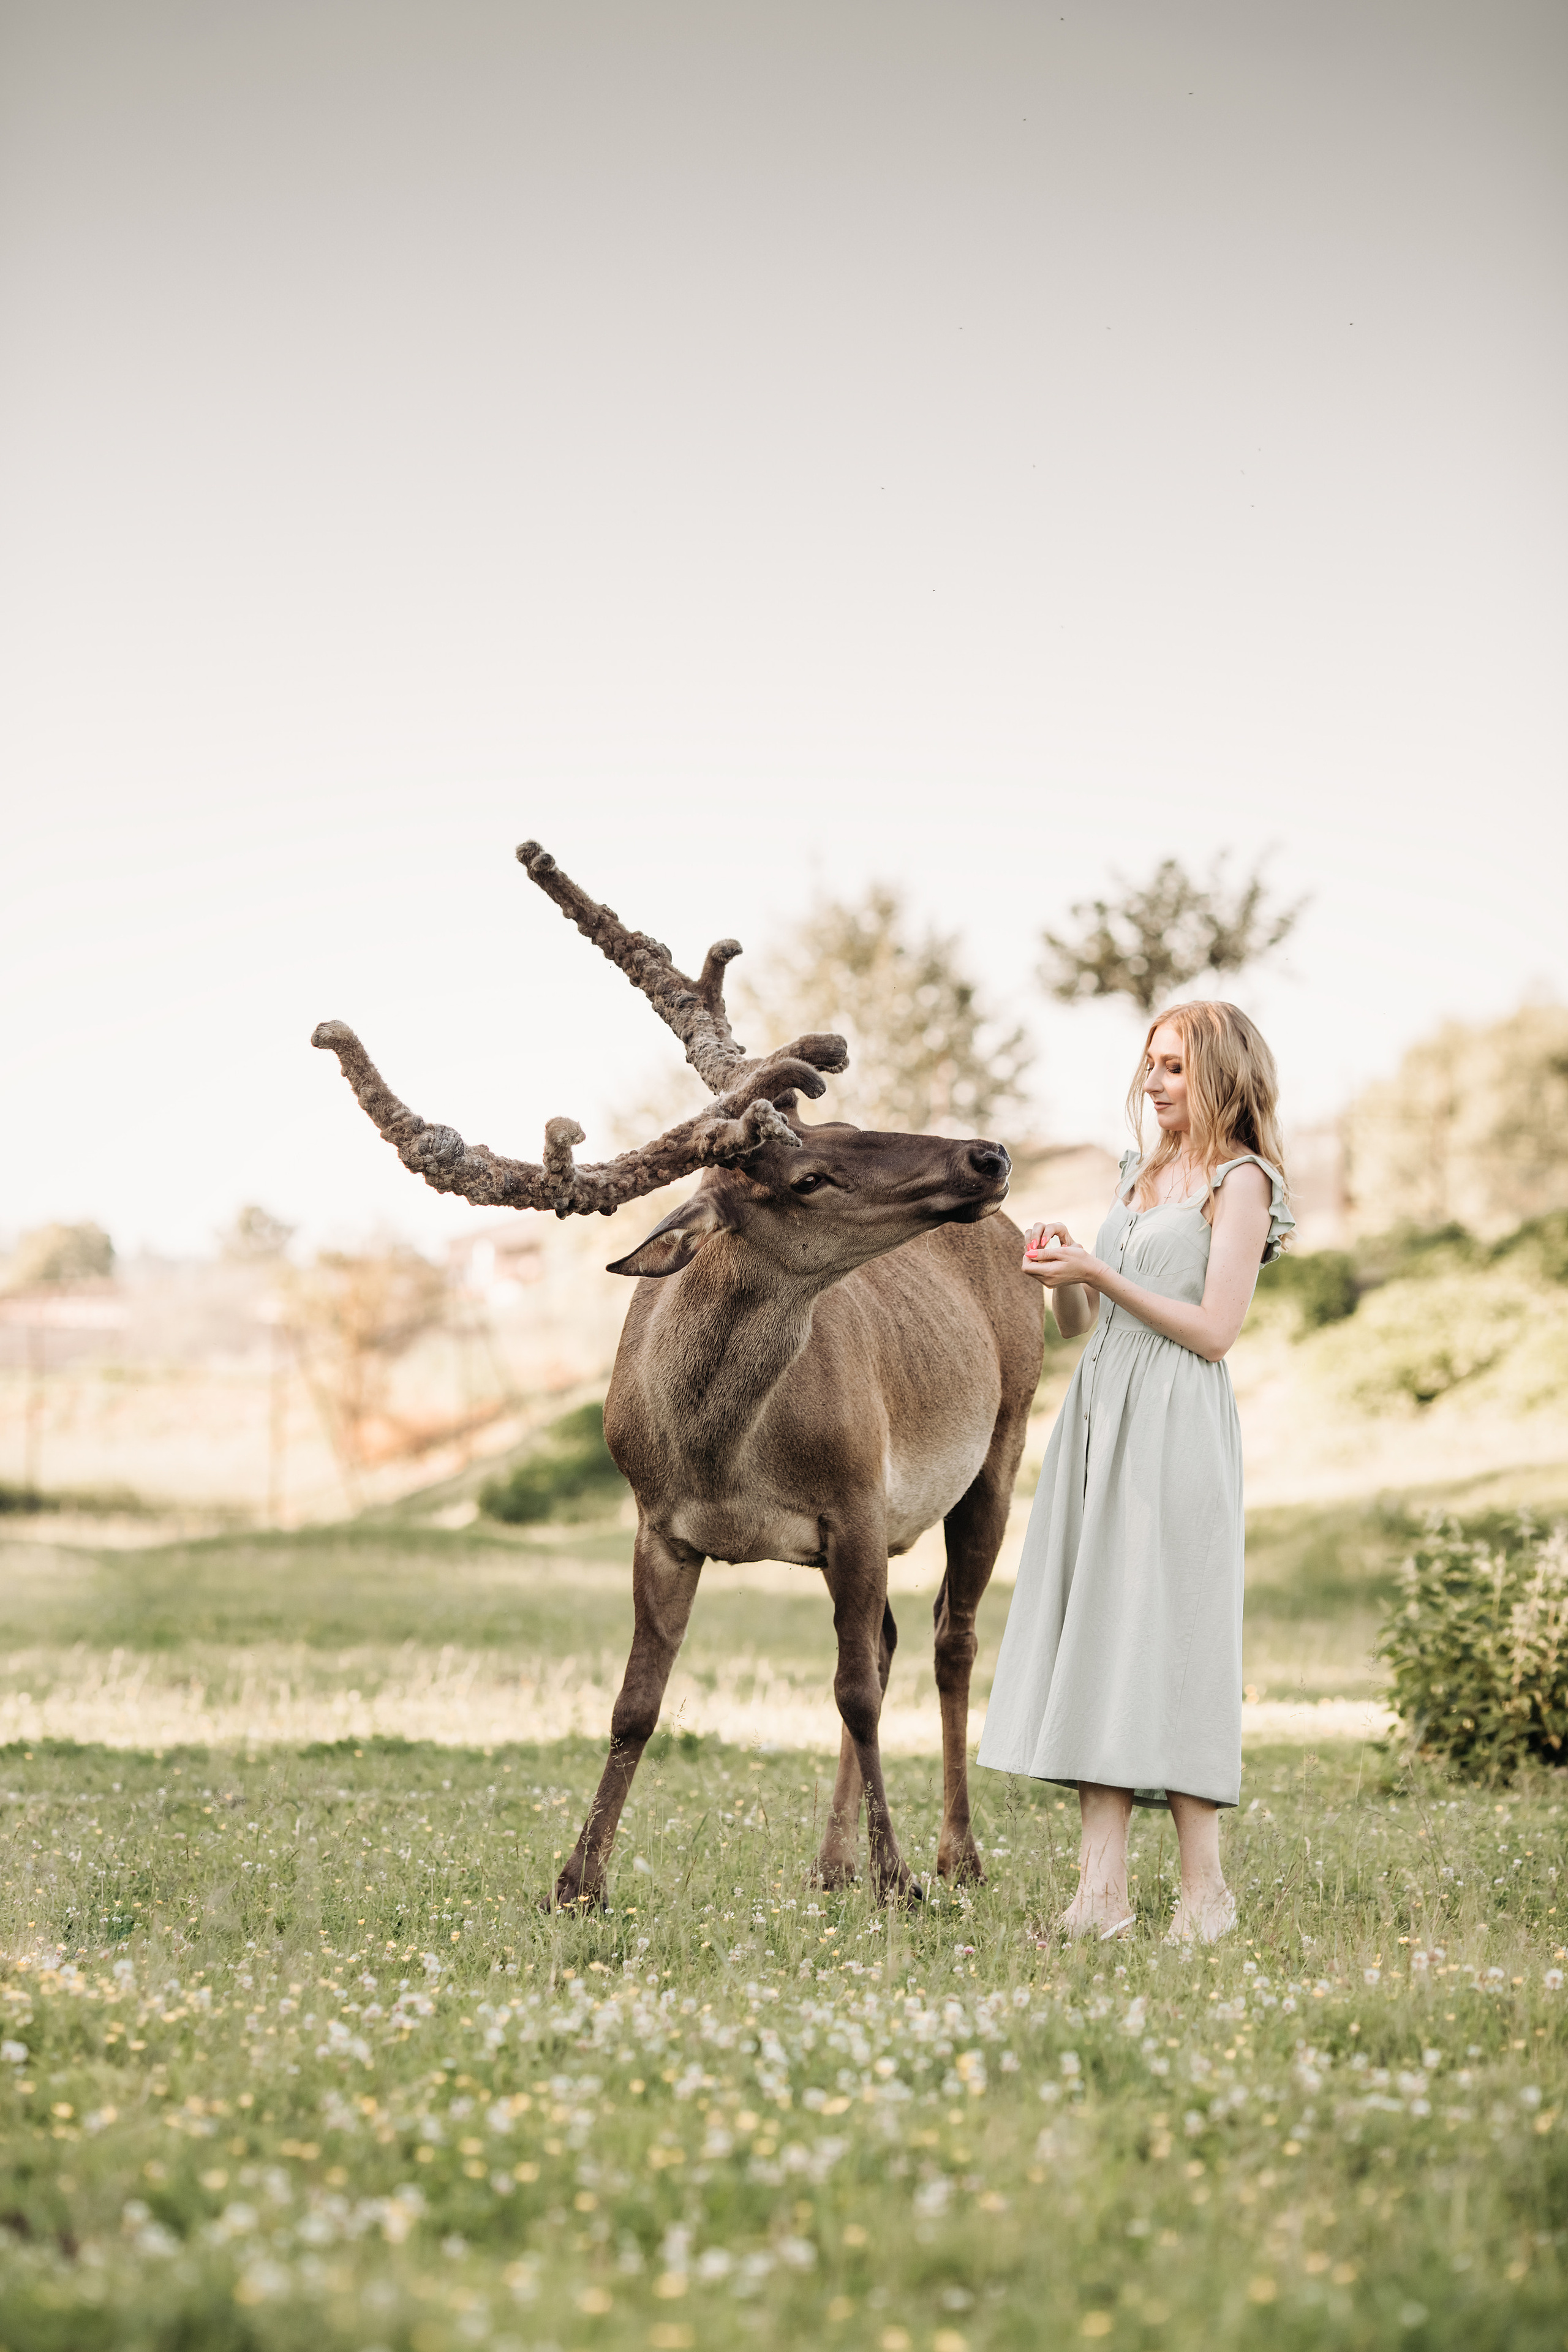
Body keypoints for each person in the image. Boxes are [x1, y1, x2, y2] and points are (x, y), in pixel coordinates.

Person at [976, 1000, 1294, 1944]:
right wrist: (1066, 1272)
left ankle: (1207, 1900)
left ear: (1224, 1075)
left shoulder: (1242, 1184)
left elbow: (1213, 1330)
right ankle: (1099, 1899)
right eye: (1149, 1065)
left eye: (1173, 1068)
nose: (1153, 1083)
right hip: (1099, 1417)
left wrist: (1105, 1273)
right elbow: (1086, 1329)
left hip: (1176, 1425)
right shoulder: (1139, 1172)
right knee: (1099, 1638)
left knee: (1175, 1642)